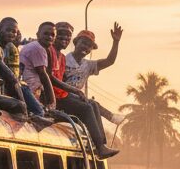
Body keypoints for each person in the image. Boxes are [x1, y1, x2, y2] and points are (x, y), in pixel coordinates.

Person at [20, 22, 115, 157]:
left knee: (92, 104)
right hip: (53, 96)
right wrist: (70, 93)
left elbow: (57, 78)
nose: (64, 38)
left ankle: (100, 144)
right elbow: (49, 77)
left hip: (62, 95)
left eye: (68, 36)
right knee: (86, 108)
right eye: (60, 34)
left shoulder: (62, 58)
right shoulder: (48, 51)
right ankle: (100, 146)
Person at [64, 26, 128, 128]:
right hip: (64, 98)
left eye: (89, 46)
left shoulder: (88, 65)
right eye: (84, 43)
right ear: (76, 43)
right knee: (92, 104)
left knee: (93, 105)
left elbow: (109, 61)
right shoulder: (64, 60)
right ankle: (110, 119)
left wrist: (116, 42)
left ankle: (100, 139)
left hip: (78, 100)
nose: (86, 47)